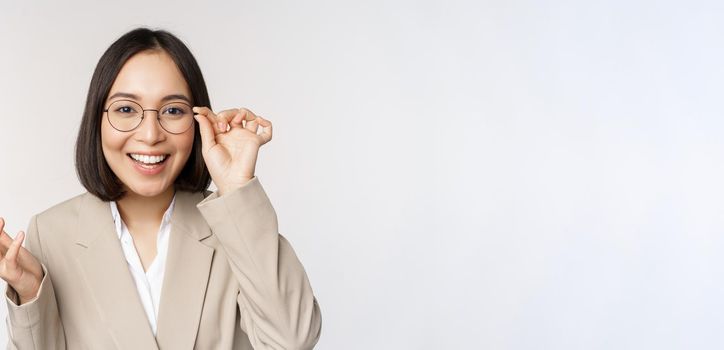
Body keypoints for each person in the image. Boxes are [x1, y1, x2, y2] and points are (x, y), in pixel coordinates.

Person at [0, 27, 322, 349]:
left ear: (199, 122)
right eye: (126, 109)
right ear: (96, 120)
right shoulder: (51, 232)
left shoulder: (235, 227)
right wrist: (30, 294)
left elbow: (292, 340)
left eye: (173, 110)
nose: (151, 134)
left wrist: (236, 187)